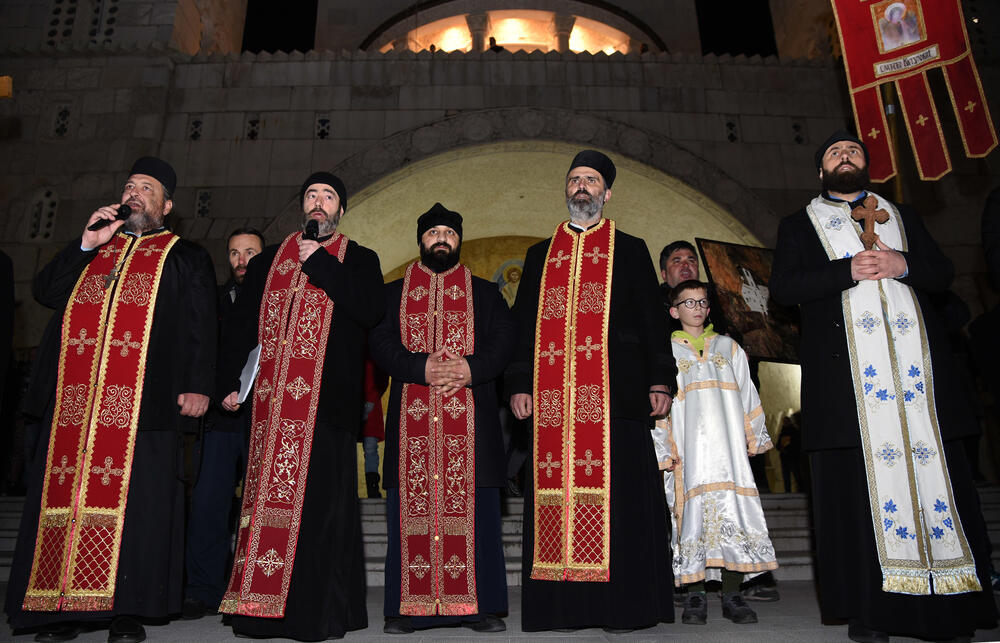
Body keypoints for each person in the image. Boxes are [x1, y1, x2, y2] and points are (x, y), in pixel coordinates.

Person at [770, 130, 998, 642]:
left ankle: (952, 611)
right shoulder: (799, 224)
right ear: (820, 171)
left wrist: (904, 264)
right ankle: (871, 616)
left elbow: (943, 274)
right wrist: (844, 270)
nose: (844, 155)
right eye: (834, 152)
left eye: (853, 150)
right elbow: (784, 287)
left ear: (867, 165)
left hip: (920, 395)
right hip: (852, 396)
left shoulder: (903, 216)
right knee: (859, 501)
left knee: (943, 492)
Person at [4, 157, 217, 643]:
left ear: (167, 205)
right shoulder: (95, 247)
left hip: (145, 407)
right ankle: (58, 608)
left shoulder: (184, 256)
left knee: (139, 507)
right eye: (129, 185)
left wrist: (199, 384)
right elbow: (44, 293)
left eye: (147, 187)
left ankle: (126, 609)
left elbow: (201, 326)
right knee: (65, 503)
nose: (135, 192)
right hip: (75, 413)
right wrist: (85, 243)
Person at [506, 150, 676, 632]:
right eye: (575, 179)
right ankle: (565, 608)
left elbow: (650, 320)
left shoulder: (632, 247)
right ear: (567, 189)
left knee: (621, 505)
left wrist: (660, 377)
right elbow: (523, 326)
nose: (582, 186)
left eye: (592, 180)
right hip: (554, 403)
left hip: (615, 398)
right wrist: (520, 382)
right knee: (554, 503)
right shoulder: (542, 253)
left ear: (607, 192)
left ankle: (622, 607)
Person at [217, 171, 382, 640]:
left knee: (320, 514)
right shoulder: (270, 259)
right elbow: (243, 324)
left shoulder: (359, 258)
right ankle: (257, 609)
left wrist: (323, 265)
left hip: (326, 409)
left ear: (341, 211)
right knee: (263, 507)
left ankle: (316, 613)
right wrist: (230, 381)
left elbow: (370, 311)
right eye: (311, 195)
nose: (318, 203)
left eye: (328, 197)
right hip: (270, 409)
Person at [370, 203, 515, 634]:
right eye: (433, 232)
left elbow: (505, 342)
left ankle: (478, 607)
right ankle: (408, 608)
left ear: (459, 240)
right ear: (421, 240)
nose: (441, 239)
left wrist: (470, 369)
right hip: (413, 421)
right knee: (408, 515)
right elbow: (379, 343)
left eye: (448, 233)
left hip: (473, 425)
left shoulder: (486, 294)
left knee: (479, 517)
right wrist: (420, 369)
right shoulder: (391, 294)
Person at [653, 279, 777, 626]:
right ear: (674, 311)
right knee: (688, 521)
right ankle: (695, 596)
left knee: (733, 517)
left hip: (728, 453)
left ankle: (733, 595)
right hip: (688, 454)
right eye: (689, 303)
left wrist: (754, 438)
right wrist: (663, 448)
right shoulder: (667, 351)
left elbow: (748, 395)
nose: (698, 309)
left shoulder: (729, 347)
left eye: (703, 302)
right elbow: (660, 405)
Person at [182, 227, 264, 619]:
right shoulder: (212, 298)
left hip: (263, 418)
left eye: (250, 252)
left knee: (261, 509)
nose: (241, 260)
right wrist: (217, 394)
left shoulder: (279, 299)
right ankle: (204, 589)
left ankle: (256, 590)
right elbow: (200, 352)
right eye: (234, 253)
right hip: (217, 419)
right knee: (209, 506)